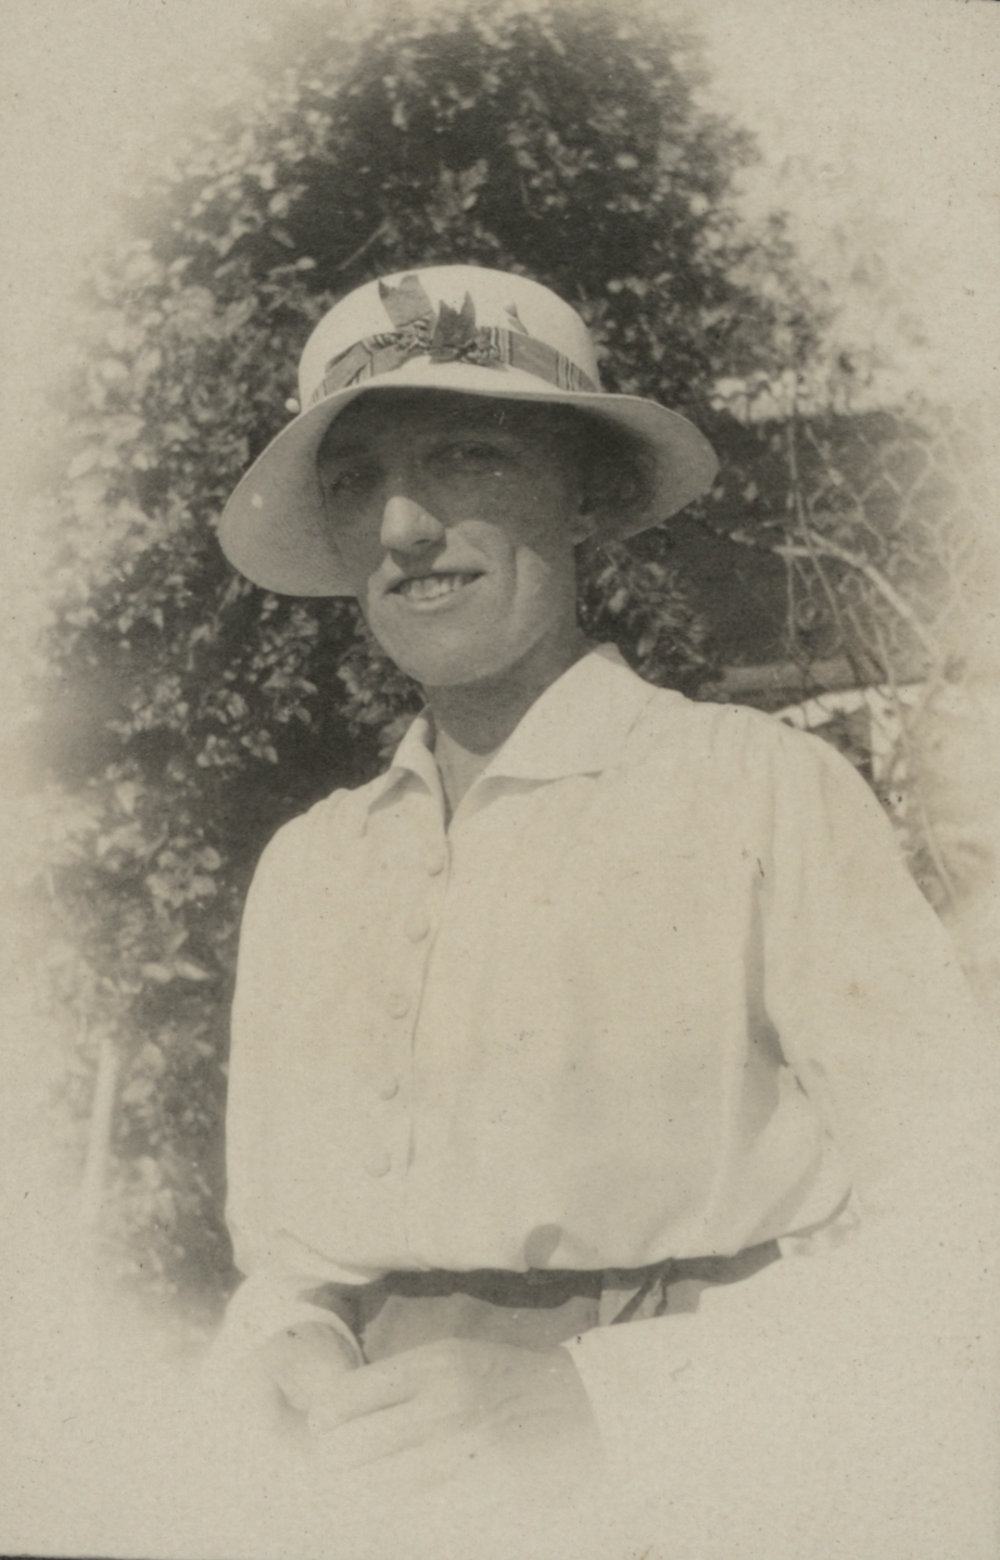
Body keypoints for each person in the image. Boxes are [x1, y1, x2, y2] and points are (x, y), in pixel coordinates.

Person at [210, 264, 998, 1556]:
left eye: (466, 454)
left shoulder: (761, 797)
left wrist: (603, 1409)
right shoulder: (310, 869)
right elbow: (283, 1263)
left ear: (583, 486)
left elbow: (970, 1234)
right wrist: (294, 1349)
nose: (405, 523)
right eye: (359, 479)